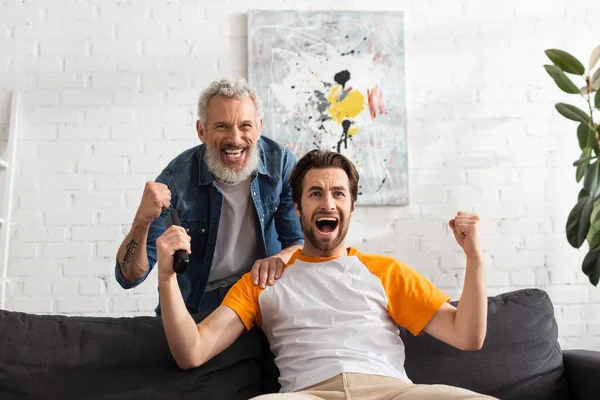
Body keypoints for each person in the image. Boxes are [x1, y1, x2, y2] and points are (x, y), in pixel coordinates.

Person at [156, 149, 495, 399]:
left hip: (390, 392)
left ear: (351, 206)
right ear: (299, 208)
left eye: (338, 194)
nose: (328, 204)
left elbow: (467, 335)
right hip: (308, 394)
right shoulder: (263, 281)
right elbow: (193, 351)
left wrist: (474, 257)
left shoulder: (386, 272)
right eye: (315, 193)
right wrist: (168, 278)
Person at [114, 77, 304, 315]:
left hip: (258, 295)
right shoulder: (174, 181)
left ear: (259, 127)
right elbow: (129, 277)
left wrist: (278, 260)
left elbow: (297, 243)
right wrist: (141, 222)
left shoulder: (281, 164)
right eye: (222, 126)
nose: (235, 139)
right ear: (201, 131)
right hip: (196, 306)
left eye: (245, 125)